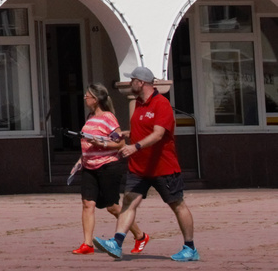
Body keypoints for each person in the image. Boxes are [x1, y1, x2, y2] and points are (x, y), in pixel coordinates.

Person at [95, 67, 197, 262]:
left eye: (132, 79)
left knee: (177, 204)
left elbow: (158, 134)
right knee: (128, 201)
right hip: (139, 168)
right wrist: (125, 135)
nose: (130, 83)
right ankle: (116, 243)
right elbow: (142, 130)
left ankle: (190, 248)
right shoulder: (139, 105)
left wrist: (135, 147)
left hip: (163, 167)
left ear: (140, 82)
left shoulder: (161, 104)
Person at [70, 83, 146, 255]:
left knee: (112, 206)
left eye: (87, 95)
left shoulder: (108, 118)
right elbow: (87, 143)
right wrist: (80, 160)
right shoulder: (90, 117)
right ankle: (87, 244)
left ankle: (140, 236)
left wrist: (101, 143)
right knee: (87, 204)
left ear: (95, 99)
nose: (84, 97)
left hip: (108, 166)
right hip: (89, 166)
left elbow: (120, 143)